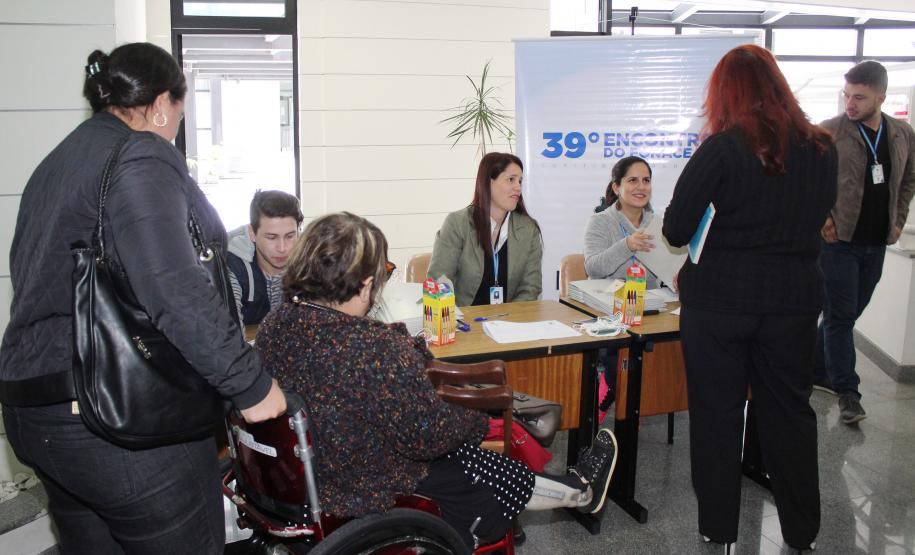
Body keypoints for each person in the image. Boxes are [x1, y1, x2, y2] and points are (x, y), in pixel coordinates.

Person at [0, 43, 286, 554]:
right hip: (116, 420)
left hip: (36, 414)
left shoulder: (57, 162)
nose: (176, 125)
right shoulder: (141, 153)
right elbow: (175, 292)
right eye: (179, 111)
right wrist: (252, 386)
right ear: (160, 105)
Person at [257, 212, 618, 550]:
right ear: (366, 285)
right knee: (472, 458)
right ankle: (579, 493)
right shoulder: (371, 347)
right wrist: (476, 416)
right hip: (366, 488)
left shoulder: (276, 326)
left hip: (305, 479)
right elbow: (429, 436)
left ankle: (577, 490)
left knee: (478, 460)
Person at [662, 44, 837, 550]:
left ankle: (718, 528)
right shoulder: (824, 148)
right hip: (793, 304)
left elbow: (675, 229)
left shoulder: (722, 148)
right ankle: (802, 531)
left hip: (718, 305)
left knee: (717, 417)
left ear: (725, 92)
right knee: (790, 415)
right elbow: (818, 217)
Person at [814, 61, 915, 425]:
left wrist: (899, 219)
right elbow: (810, 179)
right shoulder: (829, 131)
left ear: (881, 97)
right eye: (847, 95)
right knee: (841, 317)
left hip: (876, 242)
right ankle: (848, 394)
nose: (850, 103)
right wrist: (825, 218)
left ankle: (814, 366)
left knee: (847, 312)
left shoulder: (902, 134)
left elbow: (908, 180)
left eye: (859, 97)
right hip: (838, 241)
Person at [427, 153, 542, 307]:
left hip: (510, 323)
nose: (518, 187)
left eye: (520, 181)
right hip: (463, 323)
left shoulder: (528, 229)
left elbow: (530, 289)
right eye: (511, 180)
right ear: (488, 182)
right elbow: (438, 282)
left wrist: (508, 322)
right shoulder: (457, 224)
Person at [227, 189, 303, 325]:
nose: (282, 248)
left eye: (290, 236)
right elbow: (230, 329)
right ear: (252, 233)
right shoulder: (232, 265)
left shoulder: (311, 262)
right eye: (271, 237)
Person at [583, 155, 659, 286]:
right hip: (609, 300)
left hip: (651, 301)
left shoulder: (657, 224)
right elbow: (592, 269)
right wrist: (627, 246)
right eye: (633, 180)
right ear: (616, 187)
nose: (641, 187)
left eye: (646, 180)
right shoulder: (600, 221)